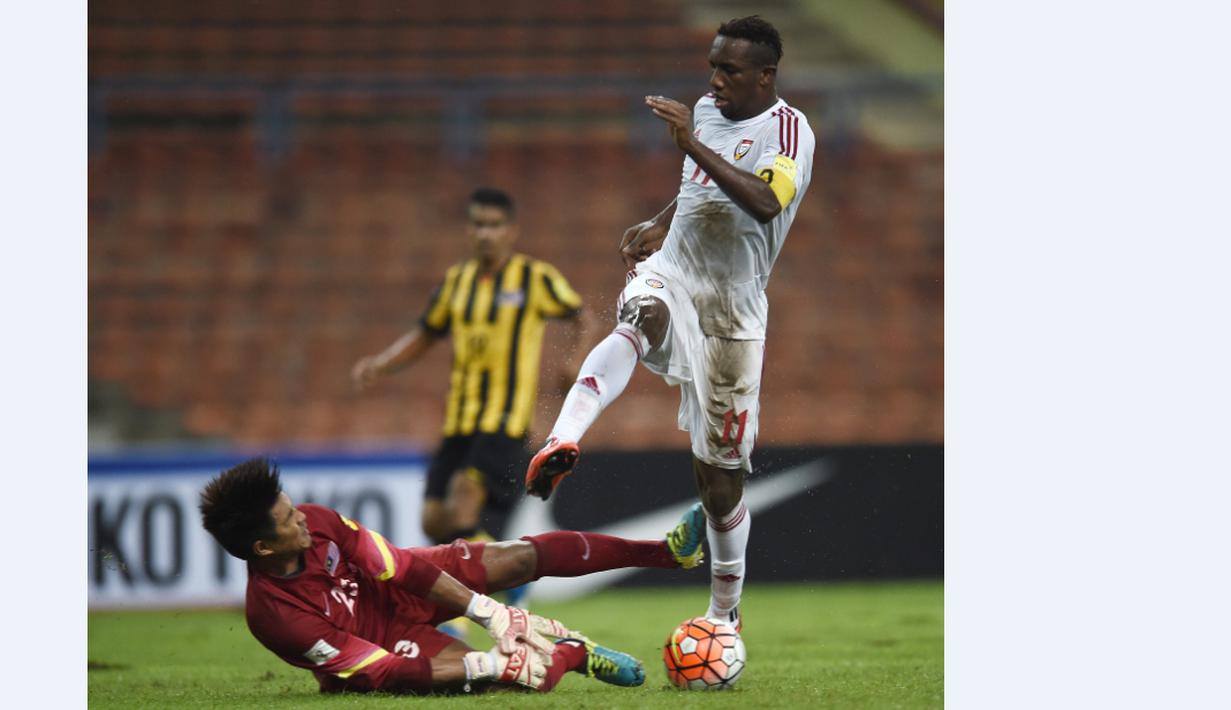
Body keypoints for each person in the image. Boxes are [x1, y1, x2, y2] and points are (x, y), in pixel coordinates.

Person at [524, 16, 816, 633]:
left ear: (765, 76)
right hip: (675, 271)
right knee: (640, 316)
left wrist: (690, 143)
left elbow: (765, 201)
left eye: (729, 70)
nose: (715, 80)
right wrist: (661, 222)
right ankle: (562, 437)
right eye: (713, 67)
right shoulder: (707, 112)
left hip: (732, 311)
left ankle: (723, 615)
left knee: (720, 481)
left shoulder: (789, 131)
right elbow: (698, 185)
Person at [199, 457, 708, 694]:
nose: (303, 518)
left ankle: (667, 554)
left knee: (516, 557)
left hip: (401, 589)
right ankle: (575, 653)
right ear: (263, 548)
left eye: (294, 507)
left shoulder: (320, 521)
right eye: (289, 520)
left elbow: (399, 566)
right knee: (506, 676)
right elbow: (379, 669)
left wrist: (488, 612)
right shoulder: (275, 618)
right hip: (384, 646)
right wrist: (488, 662)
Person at [352, 187, 595, 551]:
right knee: (434, 519)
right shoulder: (456, 282)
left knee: (464, 496)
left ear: (511, 231)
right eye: (479, 225)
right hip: (460, 419)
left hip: (506, 419)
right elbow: (426, 332)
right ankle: (502, 568)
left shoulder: (534, 277)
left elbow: (584, 319)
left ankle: (483, 584)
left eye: (494, 225)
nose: (485, 233)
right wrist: (381, 364)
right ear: (468, 229)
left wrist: (574, 362)